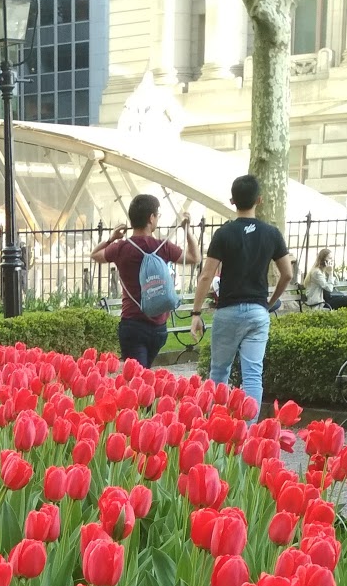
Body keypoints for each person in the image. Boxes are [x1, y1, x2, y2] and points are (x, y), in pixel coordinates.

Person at [190, 174, 293, 418]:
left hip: (228, 311)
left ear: (232, 200)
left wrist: (196, 313)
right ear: (260, 200)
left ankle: (215, 426)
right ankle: (248, 432)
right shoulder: (272, 233)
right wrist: (268, 302)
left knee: (219, 372)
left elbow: (206, 275)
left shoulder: (223, 234)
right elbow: (287, 274)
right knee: (253, 375)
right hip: (258, 312)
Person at [90, 195, 198, 368]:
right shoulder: (163, 247)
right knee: (143, 377)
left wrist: (111, 238)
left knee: (137, 379)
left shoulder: (121, 248)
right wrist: (188, 231)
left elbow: (95, 255)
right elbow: (195, 257)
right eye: (157, 215)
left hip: (132, 323)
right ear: (151, 218)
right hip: (159, 326)